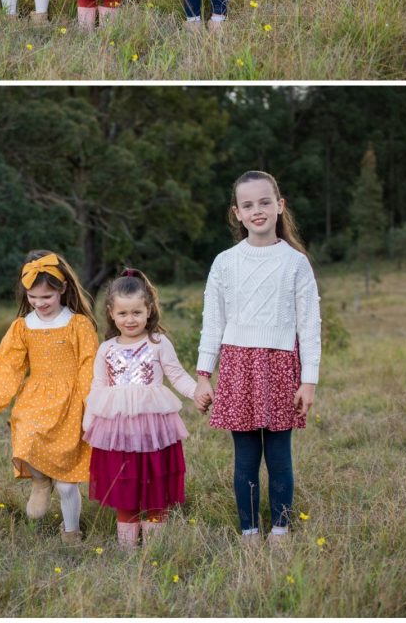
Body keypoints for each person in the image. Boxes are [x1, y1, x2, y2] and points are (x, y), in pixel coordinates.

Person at [194, 171, 321, 547]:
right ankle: (250, 530)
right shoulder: (224, 262)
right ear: (237, 213)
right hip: (237, 368)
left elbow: (310, 325)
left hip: (282, 367)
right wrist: (204, 375)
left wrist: (309, 380)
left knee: (279, 455)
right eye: (248, 205)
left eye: (265, 202)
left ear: (280, 206)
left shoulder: (295, 263)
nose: (258, 210)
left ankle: (280, 529)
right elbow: (213, 321)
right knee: (246, 456)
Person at [0, 250, 99, 545]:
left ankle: (72, 533)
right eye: (33, 297)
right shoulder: (23, 326)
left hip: (71, 402)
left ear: (63, 289)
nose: (39, 304)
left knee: (68, 483)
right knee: (27, 434)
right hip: (35, 397)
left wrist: (90, 406)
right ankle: (41, 481)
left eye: (47, 297)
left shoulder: (78, 324)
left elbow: (89, 367)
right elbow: (8, 367)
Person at [83, 269, 198, 550]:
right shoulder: (107, 349)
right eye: (123, 313)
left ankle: (155, 549)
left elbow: (178, 375)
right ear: (111, 313)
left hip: (153, 430)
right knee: (126, 484)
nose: (130, 319)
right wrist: (89, 419)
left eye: (136, 312)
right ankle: (127, 548)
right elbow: (98, 385)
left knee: (154, 484)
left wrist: (199, 392)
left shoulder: (158, 344)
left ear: (149, 310)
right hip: (118, 431)